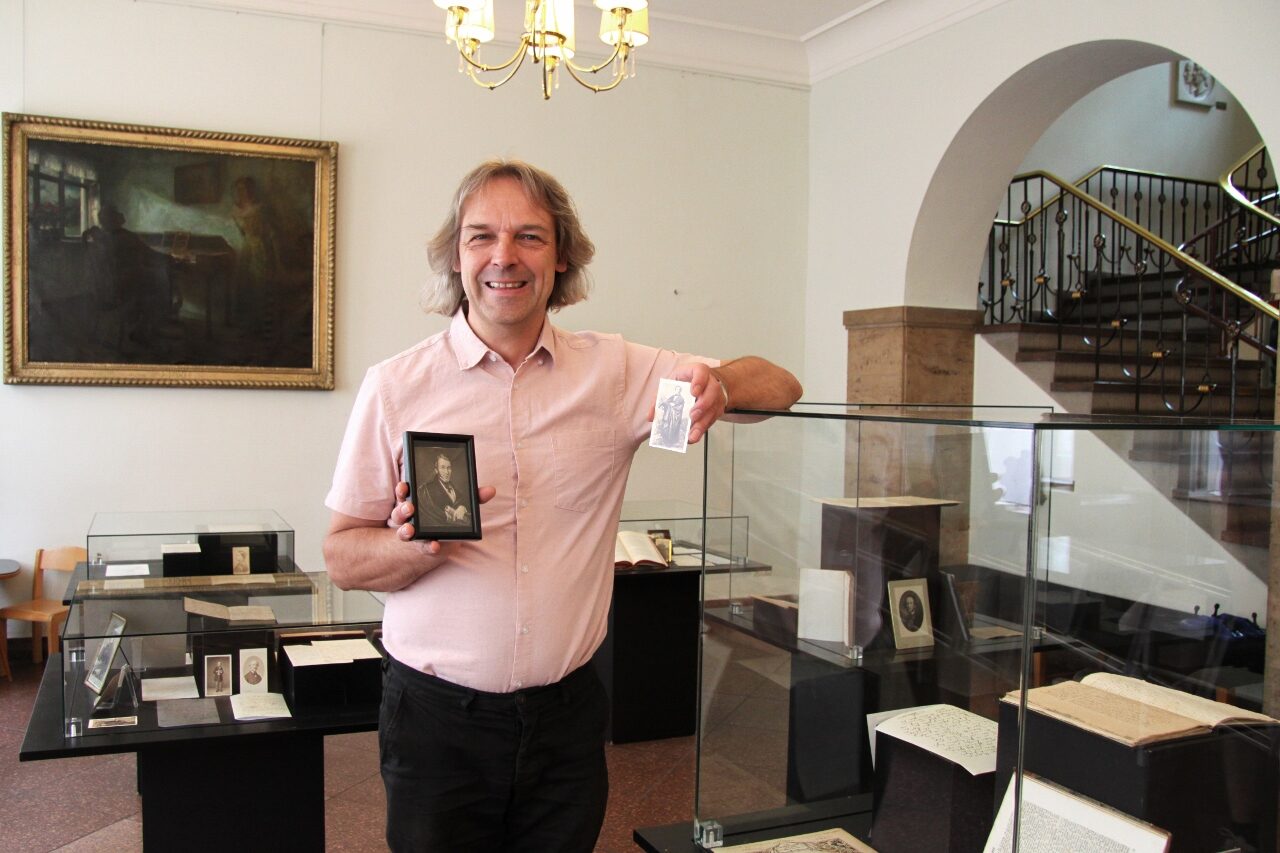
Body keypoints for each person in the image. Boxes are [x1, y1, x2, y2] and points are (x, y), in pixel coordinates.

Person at [323, 159, 802, 853]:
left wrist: (720, 386)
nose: (504, 257)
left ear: (562, 256)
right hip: (436, 722)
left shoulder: (615, 372)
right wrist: (414, 546)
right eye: (481, 236)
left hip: (567, 720)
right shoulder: (395, 387)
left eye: (530, 236)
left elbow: (781, 385)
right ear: (456, 256)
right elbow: (341, 556)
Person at [416, 451, 471, 527]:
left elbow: (464, 503)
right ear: (436, 470)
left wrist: (463, 508)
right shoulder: (426, 491)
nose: (447, 472)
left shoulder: (455, 489)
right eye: (442, 467)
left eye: (449, 468)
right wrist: (450, 516)